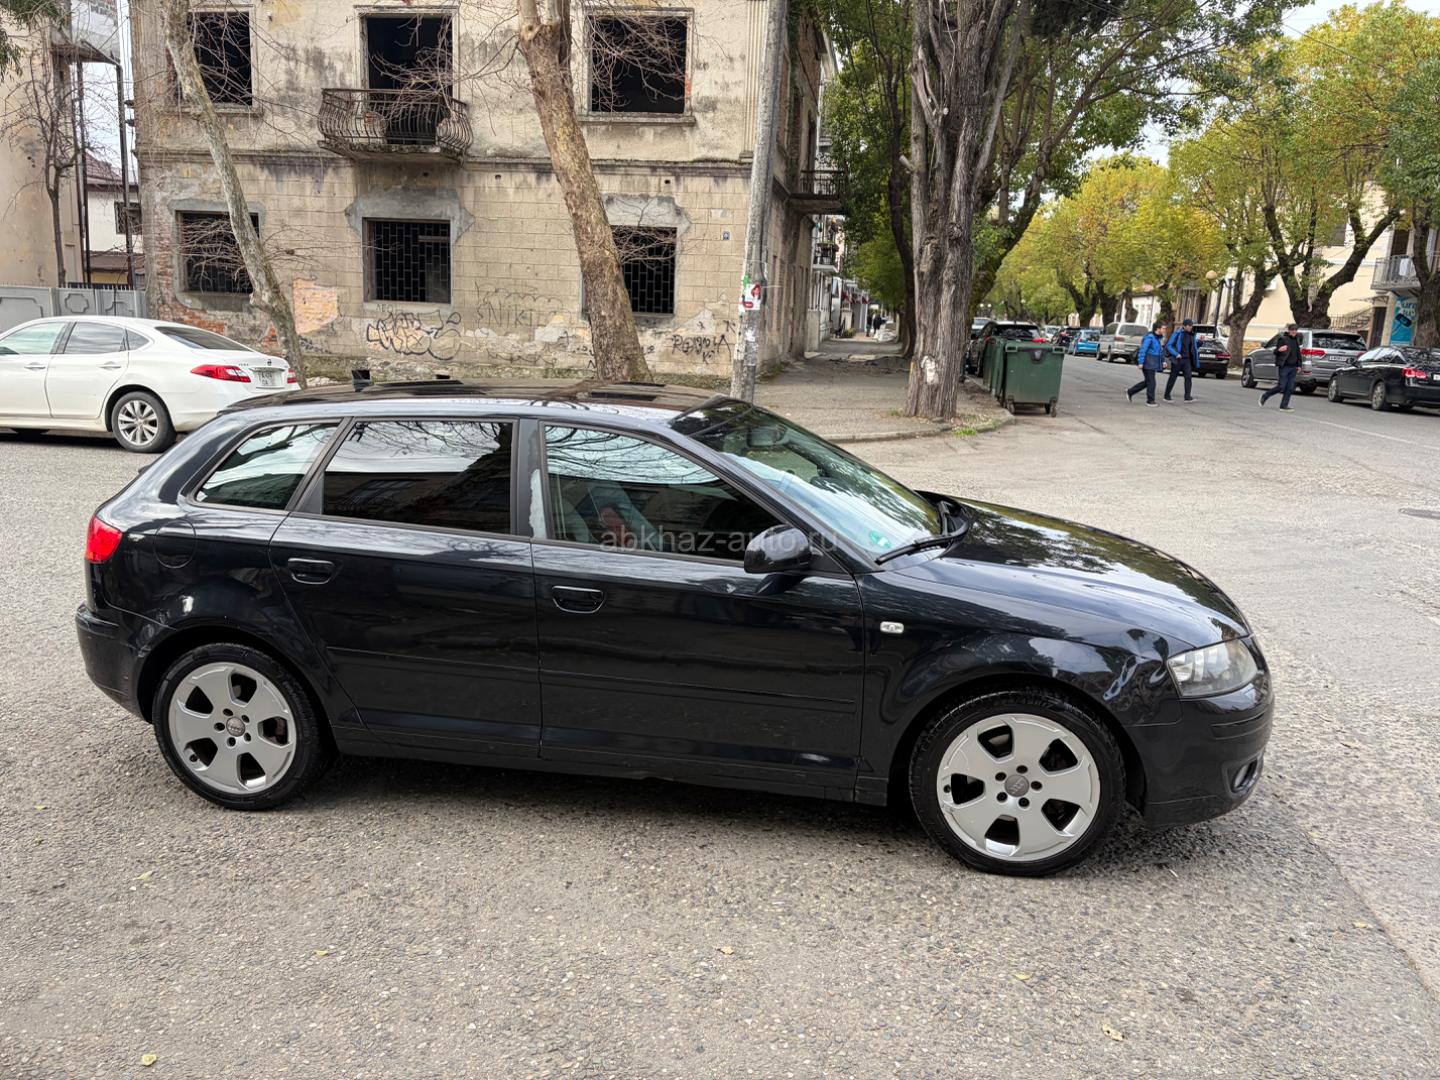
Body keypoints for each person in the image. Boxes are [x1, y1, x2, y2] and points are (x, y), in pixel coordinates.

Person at [1261, 323, 1303, 410]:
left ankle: (1284, 406)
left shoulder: (1296, 340)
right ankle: (1265, 395)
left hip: (1293, 368)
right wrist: (1279, 350)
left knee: (1290, 388)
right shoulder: (1283, 339)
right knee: (1281, 386)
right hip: (1284, 367)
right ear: (1289, 330)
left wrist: (1299, 365)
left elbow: (1298, 353)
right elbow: (1275, 351)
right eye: (1292, 330)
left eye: (1295, 330)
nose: (1294, 331)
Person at [1126, 320, 1168, 407]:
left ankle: (1130, 391)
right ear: (1158, 328)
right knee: (1152, 382)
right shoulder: (1150, 337)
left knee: (1148, 382)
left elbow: (1160, 351)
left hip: (1153, 363)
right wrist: (1141, 362)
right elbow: (1143, 350)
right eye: (1163, 328)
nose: (1165, 330)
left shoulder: (1159, 338)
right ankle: (1150, 400)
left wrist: (1163, 361)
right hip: (1147, 362)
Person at [1164, 318, 1199, 402]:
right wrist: (1176, 354)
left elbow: (1193, 347)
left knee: (1188, 377)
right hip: (1177, 360)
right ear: (1184, 326)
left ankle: (1187, 397)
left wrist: (1200, 342)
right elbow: (1169, 346)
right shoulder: (1177, 333)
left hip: (1187, 360)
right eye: (1188, 326)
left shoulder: (1192, 335)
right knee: (1173, 377)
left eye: (1191, 326)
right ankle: (1166, 395)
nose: (1190, 327)